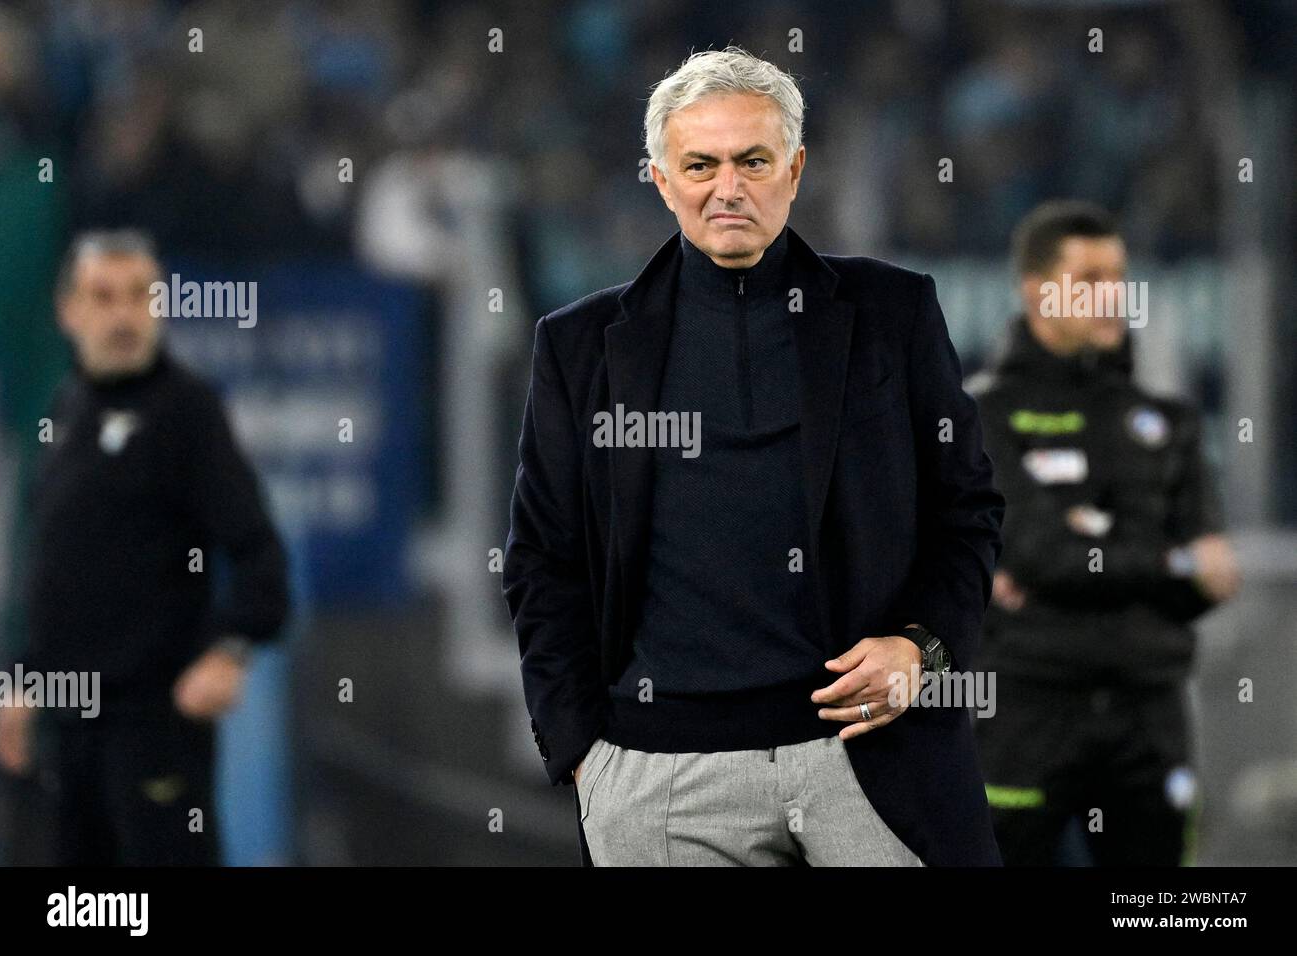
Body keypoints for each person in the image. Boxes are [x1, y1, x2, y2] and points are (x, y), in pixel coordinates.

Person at [502, 46, 1005, 866]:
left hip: (874, 764)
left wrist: (924, 650)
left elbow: (968, 511)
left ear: (796, 169)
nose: (727, 189)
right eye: (699, 164)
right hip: (661, 782)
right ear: (661, 179)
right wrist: (587, 758)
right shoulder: (579, 348)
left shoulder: (892, 312)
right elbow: (541, 561)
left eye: (753, 161)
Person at [0, 229, 289, 865]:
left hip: (154, 723)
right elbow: (50, 565)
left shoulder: (186, 411)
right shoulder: (65, 410)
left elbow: (260, 554)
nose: (124, 315)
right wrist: (18, 681)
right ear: (68, 311)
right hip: (70, 727)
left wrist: (231, 649)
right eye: (104, 297)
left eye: (140, 296)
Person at [967, 200, 1241, 866]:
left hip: (1149, 718)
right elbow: (1040, 552)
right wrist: (1172, 562)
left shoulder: (1167, 421)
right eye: (1088, 279)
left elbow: (1216, 576)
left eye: (1119, 277)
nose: (1113, 296)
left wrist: (1095, 556)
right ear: (1036, 290)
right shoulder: (983, 416)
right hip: (1027, 713)